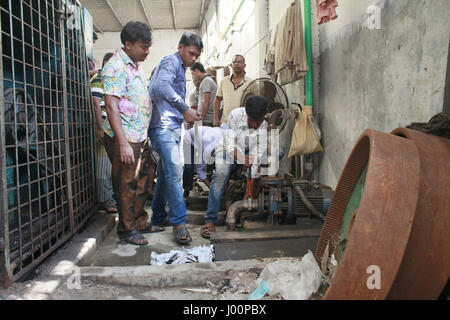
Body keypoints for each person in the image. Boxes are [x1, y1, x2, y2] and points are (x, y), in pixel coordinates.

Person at [103, 21, 162, 246]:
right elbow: (111, 106)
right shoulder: (116, 66)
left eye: (148, 47)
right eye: (143, 47)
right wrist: (123, 143)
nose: (147, 51)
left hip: (139, 135)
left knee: (143, 181)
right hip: (125, 136)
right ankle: (127, 230)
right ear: (127, 44)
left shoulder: (134, 64)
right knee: (126, 183)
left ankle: (140, 222)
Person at [148, 32, 203, 245]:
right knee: (174, 172)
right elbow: (160, 87)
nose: (193, 59)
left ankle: (159, 217)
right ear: (181, 47)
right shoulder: (171, 61)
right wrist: (185, 109)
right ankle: (179, 224)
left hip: (171, 126)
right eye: (191, 53)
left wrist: (183, 114)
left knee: (164, 174)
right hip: (163, 127)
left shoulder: (181, 66)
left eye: (196, 56)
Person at [201, 96, 269, 239]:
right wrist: (241, 160)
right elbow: (230, 144)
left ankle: (251, 203)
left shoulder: (264, 124)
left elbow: (260, 149)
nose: (256, 125)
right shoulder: (235, 115)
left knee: (276, 154)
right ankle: (210, 220)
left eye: (259, 121)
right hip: (227, 150)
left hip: (248, 153)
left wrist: (252, 174)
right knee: (220, 174)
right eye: (252, 121)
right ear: (246, 114)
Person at [90, 52, 117, 214]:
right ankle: (104, 200)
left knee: (108, 165)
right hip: (103, 127)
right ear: (106, 63)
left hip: (108, 126)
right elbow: (95, 104)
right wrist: (101, 128)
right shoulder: (99, 79)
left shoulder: (106, 80)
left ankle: (109, 198)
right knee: (103, 166)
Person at [182, 124, 227, 198]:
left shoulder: (225, 138)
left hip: (202, 135)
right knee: (189, 166)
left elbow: (224, 126)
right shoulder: (206, 150)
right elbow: (200, 170)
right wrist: (211, 188)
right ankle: (187, 189)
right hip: (189, 138)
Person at [213, 54, 252, 127]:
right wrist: (215, 118)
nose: (237, 64)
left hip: (243, 124)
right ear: (231, 65)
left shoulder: (251, 83)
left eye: (240, 62)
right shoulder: (224, 81)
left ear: (244, 65)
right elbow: (218, 100)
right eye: (235, 62)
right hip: (225, 123)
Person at [190, 62, 217, 127]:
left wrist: (202, 118)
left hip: (207, 120)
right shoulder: (206, 80)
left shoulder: (206, 81)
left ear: (197, 71)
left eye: (192, 73)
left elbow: (206, 101)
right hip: (206, 119)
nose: (193, 76)